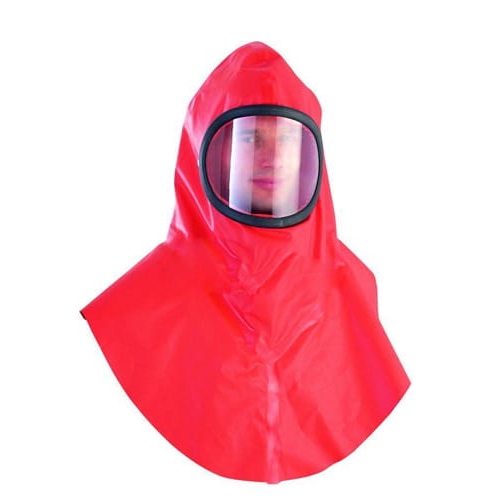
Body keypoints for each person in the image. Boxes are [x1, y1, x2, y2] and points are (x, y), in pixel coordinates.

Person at [81, 41, 410, 484]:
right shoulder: (133, 315)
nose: (271, 158)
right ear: (206, 153)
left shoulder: (352, 290)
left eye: (286, 138)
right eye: (251, 138)